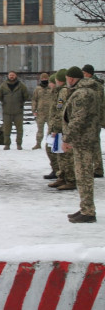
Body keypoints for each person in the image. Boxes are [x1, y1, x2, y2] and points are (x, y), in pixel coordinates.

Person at [62, 67, 103, 223]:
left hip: (83, 140)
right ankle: (85, 207)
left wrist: (67, 138)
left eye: (67, 78)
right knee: (82, 175)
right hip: (86, 138)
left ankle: (88, 211)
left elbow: (78, 118)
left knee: (83, 175)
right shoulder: (90, 91)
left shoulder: (83, 93)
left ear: (72, 79)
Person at [82, 64, 104, 178]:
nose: (83, 75)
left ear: (89, 73)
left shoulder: (95, 86)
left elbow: (97, 103)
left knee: (94, 144)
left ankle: (98, 168)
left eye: (84, 73)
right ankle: (96, 168)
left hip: (94, 119)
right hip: (93, 118)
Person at [0, 71, 30, 150]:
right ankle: (7, 144)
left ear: (16, 76)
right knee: (6, 129)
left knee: (19, 129)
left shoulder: (21, 85)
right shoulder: (3, 85)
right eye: (10, 75)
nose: (11, 76)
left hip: (18, 111)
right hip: (7, 111)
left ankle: (19, 144)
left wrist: (20, 103)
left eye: (13, 75)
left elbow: (26, 95)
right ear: (8, 76)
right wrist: (5, 102)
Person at [31, 73, 55, 150]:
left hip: (50, 112)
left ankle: (50, 144)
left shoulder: (51, 88)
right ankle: (38, 144)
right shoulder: (38, 89)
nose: (44, 80)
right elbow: (34, 100)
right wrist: (34, 109)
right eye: (43, 79)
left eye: (46, 79)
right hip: (40, 112)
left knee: (51, 129)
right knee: (40, 129)